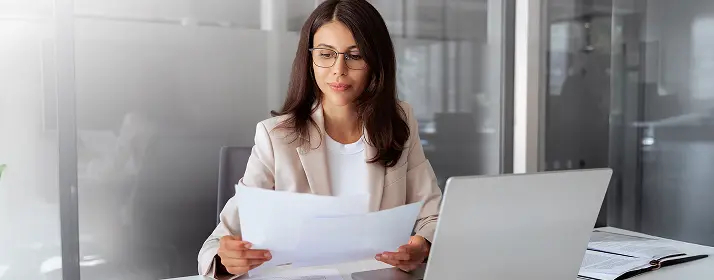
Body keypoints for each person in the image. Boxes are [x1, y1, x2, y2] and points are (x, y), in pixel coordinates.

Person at [197, 0, 442, 278]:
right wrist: (226, 260)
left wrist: (422, 246)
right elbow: (218, 243)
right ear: (310, 58)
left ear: (376, 61)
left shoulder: (400, 120)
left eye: (355, 55)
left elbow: (433, 217)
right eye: (326, 54)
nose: (339, 69)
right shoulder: (276, 137)